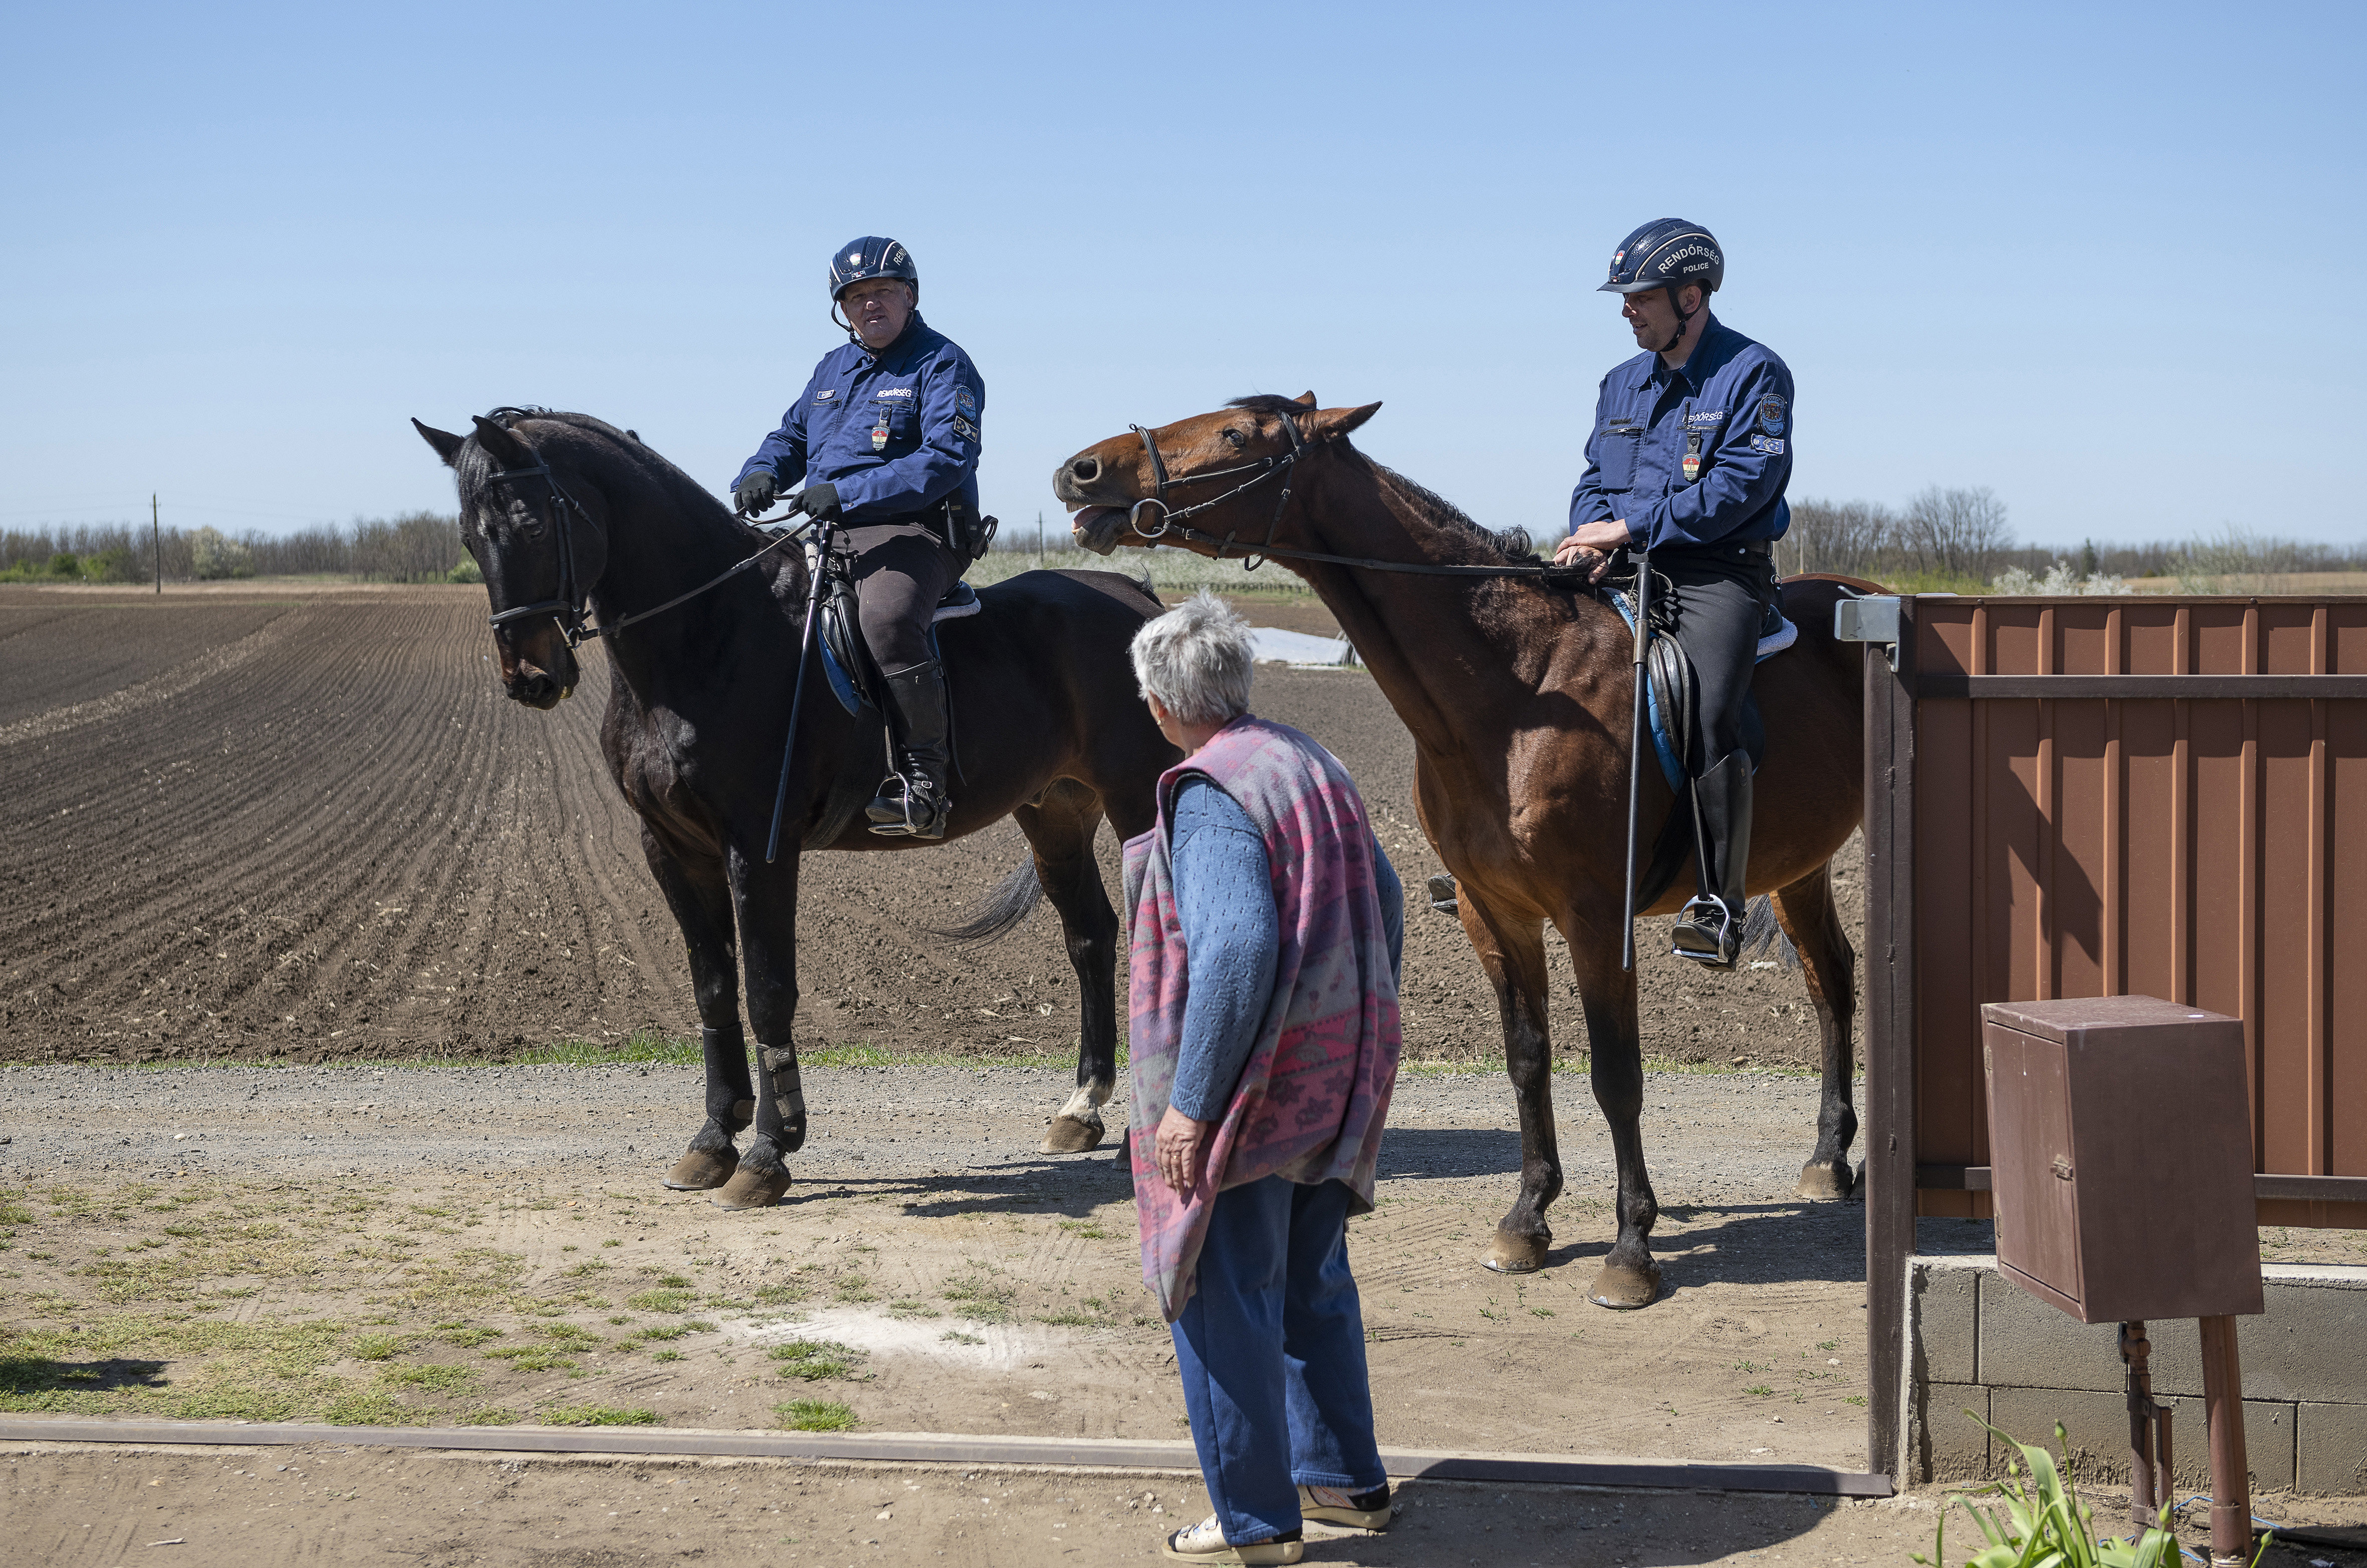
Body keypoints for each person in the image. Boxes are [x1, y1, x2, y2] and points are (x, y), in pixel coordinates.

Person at [1121, 591, 1405, 1565]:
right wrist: (1351, 1005)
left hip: (1254, 1094)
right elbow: (1389, 896)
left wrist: (1192, 1102)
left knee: (1220, 1289)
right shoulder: (1304, 758)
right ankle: (1344, 1480)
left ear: (1160, 703)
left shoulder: (1207, 792)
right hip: (1339, 1074)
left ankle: (1255, 1519)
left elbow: (1237, 947)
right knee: (1311, 1280)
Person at [1554, 219, 1794, 968]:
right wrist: (1585, 536)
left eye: (1640, 297)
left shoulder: (1755, 373)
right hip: (1621, 561)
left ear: (1691, 296)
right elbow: (1595, 474)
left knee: (1711, 706)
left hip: (1718, 570)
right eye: (1624, 298)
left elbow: (1739, 489)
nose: (1627, 310)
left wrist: (1624, 529)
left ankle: (1720, 902)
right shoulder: (1620, 382)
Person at [731, 236, 985, 840]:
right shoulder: (830, 368)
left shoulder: (943, 363)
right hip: (829, 529)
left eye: (880, 292)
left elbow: (948, 458)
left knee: (887, 618)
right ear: (842, 308)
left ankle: (925, 784)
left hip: (918, 528)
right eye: (855, 296)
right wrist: (760, 472)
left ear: (910, 296)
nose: (868, 305)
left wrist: (848, 494)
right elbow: (790, 437)